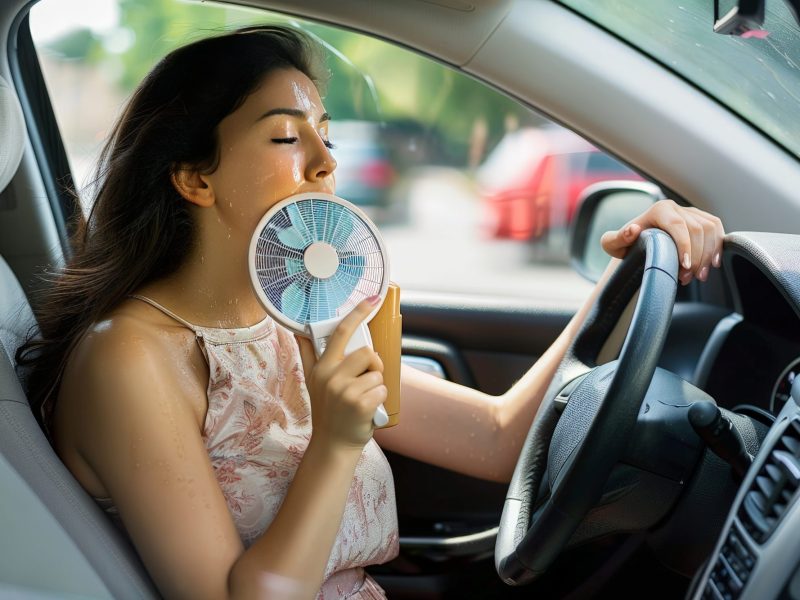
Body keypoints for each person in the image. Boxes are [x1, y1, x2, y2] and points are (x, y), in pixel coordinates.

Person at [17, 25, 725, 600]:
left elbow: (498, 438)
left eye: (325, 131)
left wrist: (629, 267)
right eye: (288, 136)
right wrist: (334, 442)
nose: (328, 160)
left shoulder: (294, 318)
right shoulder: (129, 357)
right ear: (196, 177)